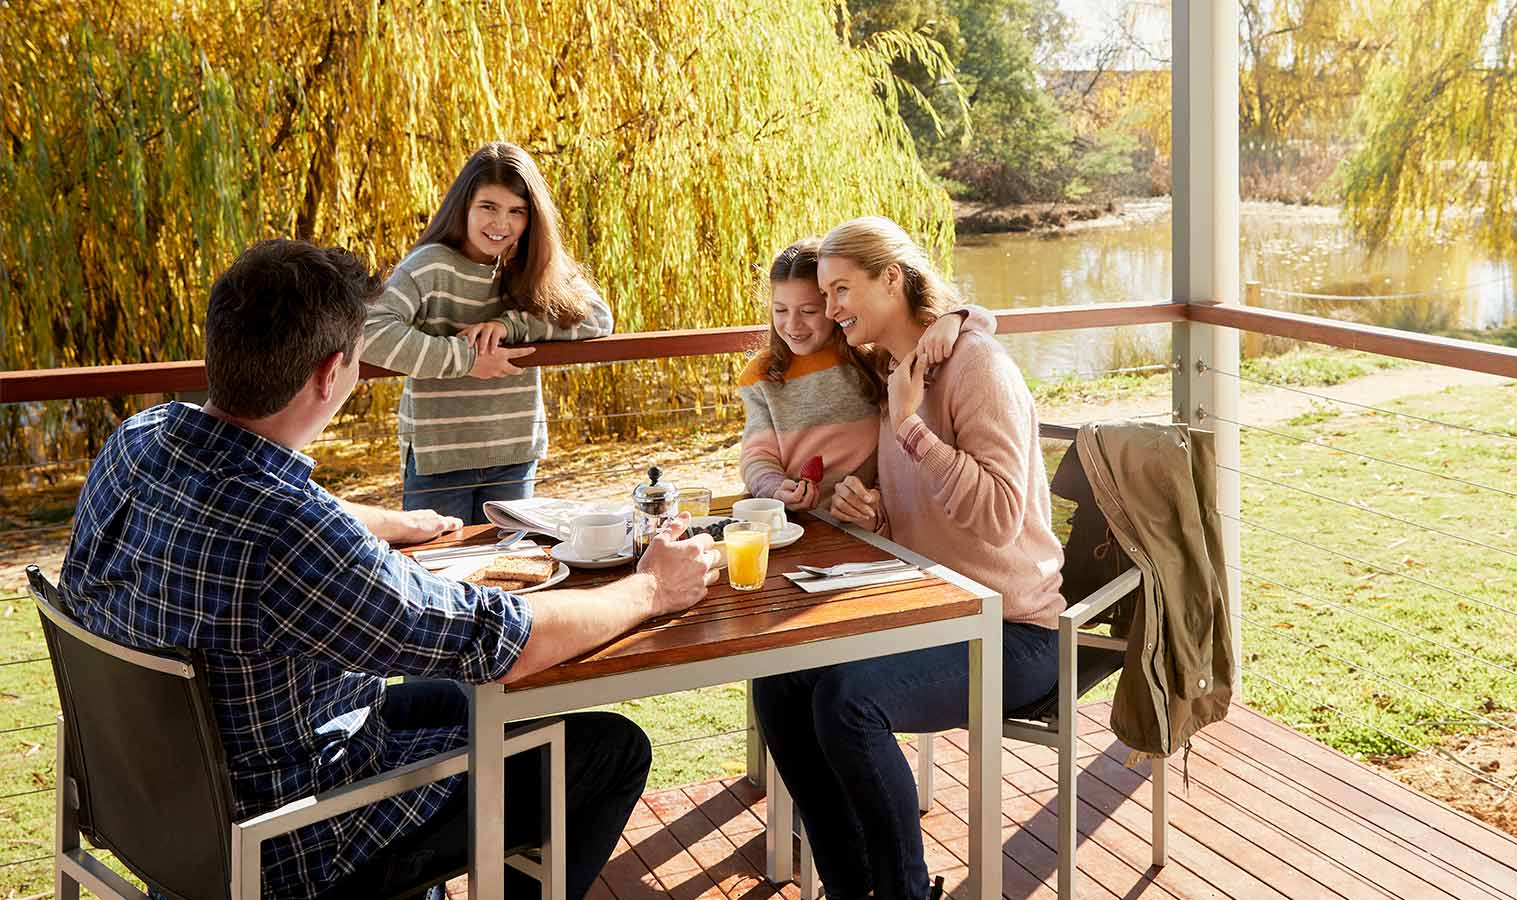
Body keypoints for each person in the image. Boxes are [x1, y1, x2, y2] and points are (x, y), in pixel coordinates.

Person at [57, 239, 718, 900]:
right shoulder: (292, 536)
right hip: (293, 848)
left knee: (461, 700)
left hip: (166, 811)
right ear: (330, 374)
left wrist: (390, 522)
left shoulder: (141, 440)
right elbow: (501, 640)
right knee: (606, 750)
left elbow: (244, 494)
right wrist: (653, 588)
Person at [751, 217, 1065, 900]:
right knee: (779, 682)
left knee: (847, 704)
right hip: (938, 612)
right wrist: (878, 515)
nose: (829, 309)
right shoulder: (895, 368)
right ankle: (851, 886)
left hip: (1014, 631)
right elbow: (933, 516)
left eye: (840, 290)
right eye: (824, 294)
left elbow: (998, 517)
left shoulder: (976, 366)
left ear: (892, 278)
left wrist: (912, 427)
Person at [362, 142, 613, 524]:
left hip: (514, 453)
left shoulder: (533, 266)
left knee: (508, 557)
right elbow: (370, 331)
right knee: (439, 557)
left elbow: (598, 318)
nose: (500, 224)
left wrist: (511, 325)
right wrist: (468, 360)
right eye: (488, 207)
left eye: (517, 211)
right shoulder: (429, 266)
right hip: (441, 459)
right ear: (463, 205)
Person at [738, 237, 995, 510]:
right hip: (788, 519)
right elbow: (757, 455)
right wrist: (775, 489)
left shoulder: (873, 358)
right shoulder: (761, 375)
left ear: (832, 307)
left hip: (860, 518)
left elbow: (983, 319)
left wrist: (953, 318)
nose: (793, 324)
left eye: (809, 311)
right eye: (780, 310)